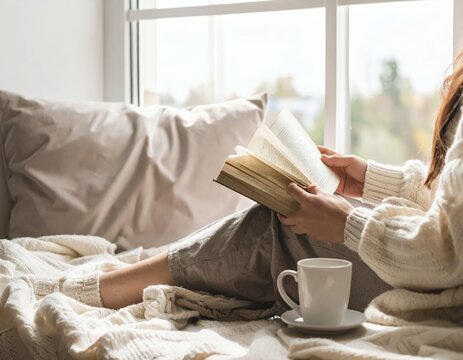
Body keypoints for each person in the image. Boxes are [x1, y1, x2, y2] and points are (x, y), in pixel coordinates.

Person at [34, 50, 463, 324]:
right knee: (284, 218)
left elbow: (446, 251)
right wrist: (369, 178)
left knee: (279, 225)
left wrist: (348, 222)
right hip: (439, 275)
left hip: (444, 290)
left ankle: (109, 286)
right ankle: (137, 269)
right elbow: (451, 206)